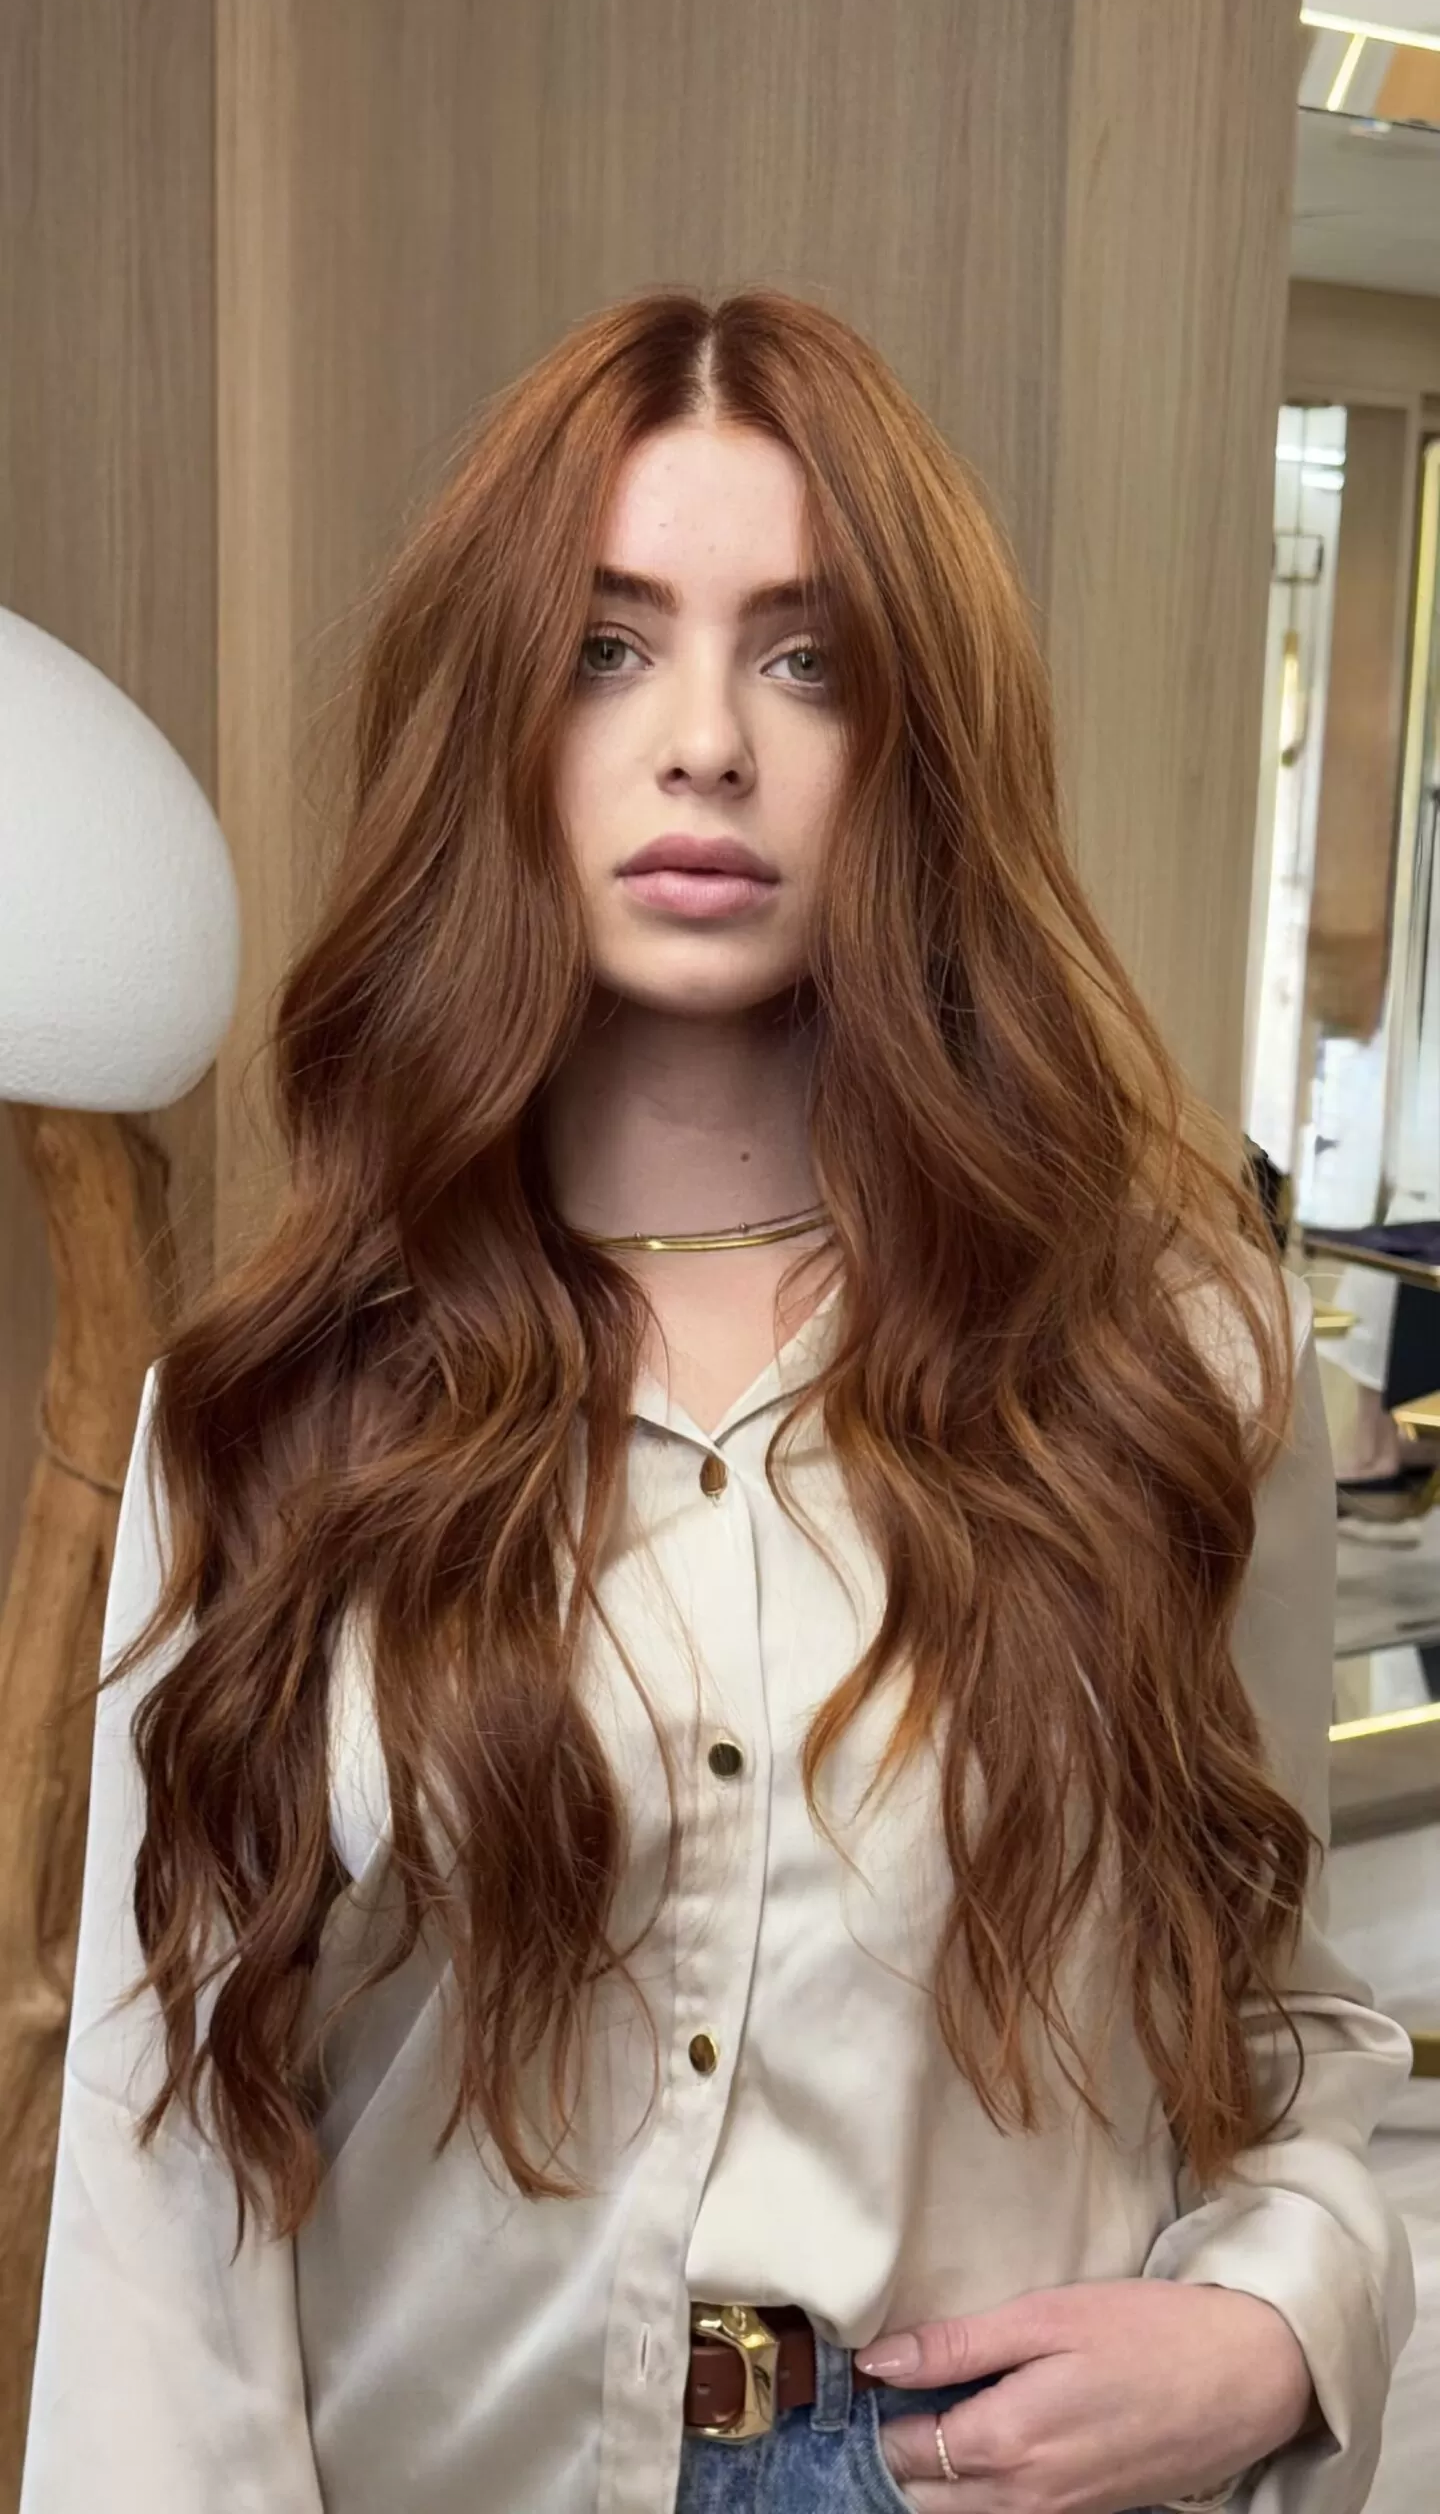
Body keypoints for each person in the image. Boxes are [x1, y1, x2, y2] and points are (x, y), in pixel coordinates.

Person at [20, 287, 1415, 2514]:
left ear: (914, 737)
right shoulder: (271, 1414)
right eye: (604, 646)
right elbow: (165, 2171)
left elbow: (1275, 2015)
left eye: (806, 658)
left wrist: (1279, 2324)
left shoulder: (1162, 1361)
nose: (703, 745)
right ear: (496, 714)